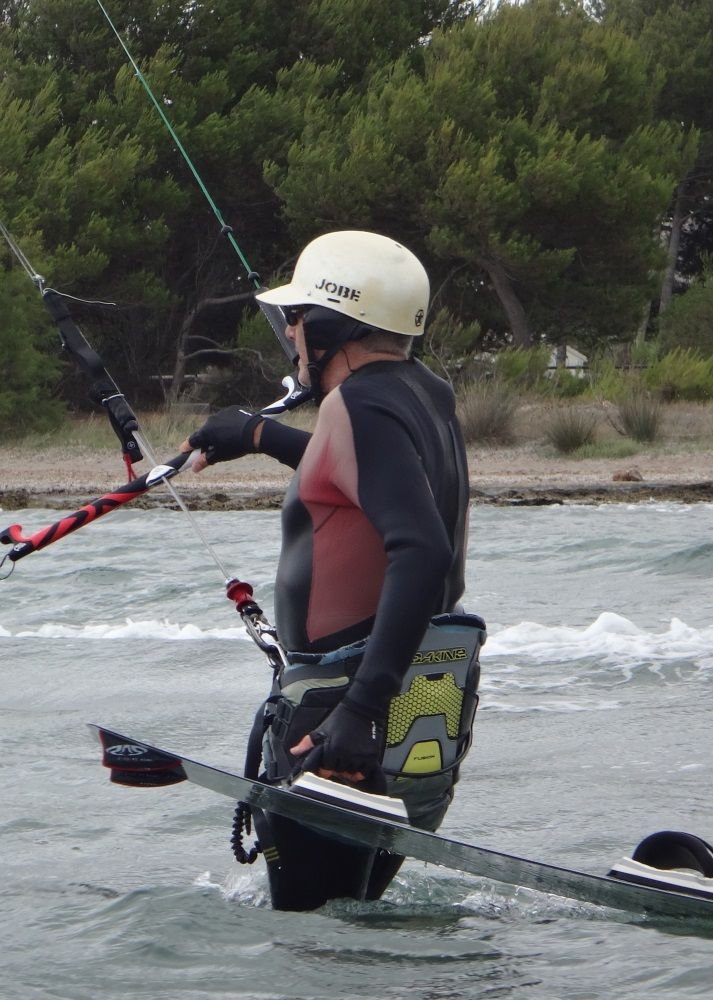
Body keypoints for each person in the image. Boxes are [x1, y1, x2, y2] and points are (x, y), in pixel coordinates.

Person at [181, 230, 483, 910]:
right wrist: (258, 436)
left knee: (318, 947)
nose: (289, 336)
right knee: (353, 929)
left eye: (295, 320)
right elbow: (363, 479)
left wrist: (357, 711)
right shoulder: (422, 394)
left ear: (325, 326)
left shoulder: (360, 406)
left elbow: (421, 550)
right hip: (426, 699)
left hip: (344, 712)